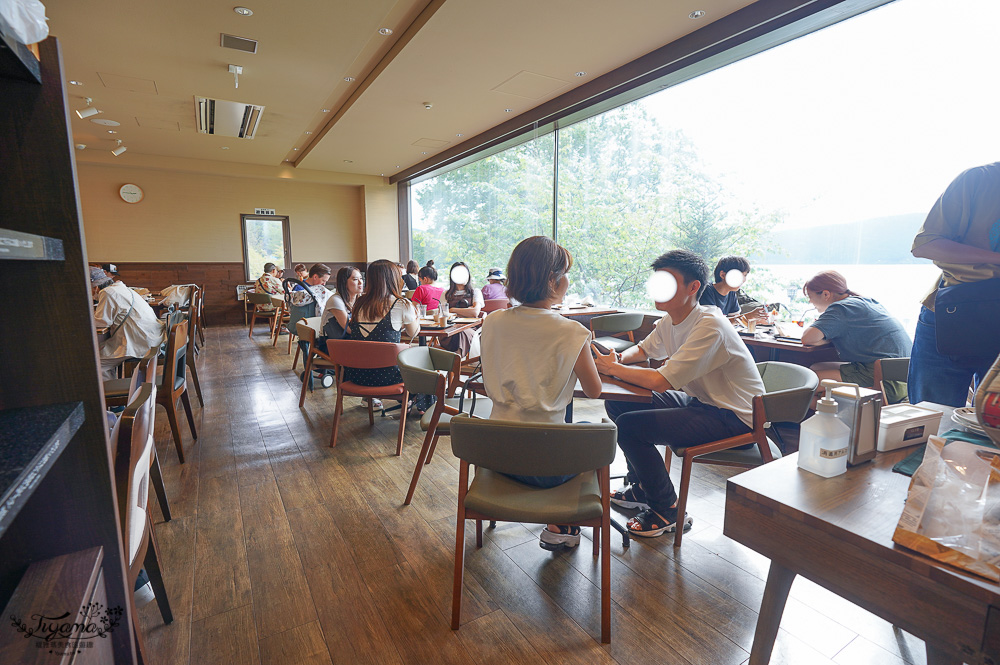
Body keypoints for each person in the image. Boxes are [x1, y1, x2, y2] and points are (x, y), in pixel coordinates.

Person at [592, 250, 764, 537]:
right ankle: (641, 487)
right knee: (619, 403)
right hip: (704, 404)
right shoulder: (670, 320)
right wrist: (619, 361)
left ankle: (668, 509)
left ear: (693, 287)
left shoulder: (710, 324)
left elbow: (661, 381)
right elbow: (645, 350)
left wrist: (613, 370)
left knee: (630, 427)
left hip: (736, 416)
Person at [480, 236, 602, 551]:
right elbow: (593, 389)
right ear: (553, 281)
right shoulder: (571, 331)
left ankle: (559, 523)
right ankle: (562, 521)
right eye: (564, 273)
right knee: (589, 433)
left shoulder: (491, 323)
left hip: (496, 457)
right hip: (548, 468)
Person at [908, 163, 1000, 406]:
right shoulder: (980, 180)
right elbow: (925, 244)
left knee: (991, 429)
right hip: (955, 310)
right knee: (931, 418)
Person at [800, 271, 911, 401]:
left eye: (810, 296)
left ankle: (833, 413)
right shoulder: (866, 301)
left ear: (826, 294)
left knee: (804, 383)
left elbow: (807, 338)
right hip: (904, 381)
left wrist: (823, 338)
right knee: (816, 368)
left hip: (882, 381)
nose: (809, 301)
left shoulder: (840, 308)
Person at [343, 259, 419, 388]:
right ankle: (412, 402)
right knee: (422, 364)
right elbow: (413, 333)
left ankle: (372, 400)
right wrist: (416, 315)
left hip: (356, 375)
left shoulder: (359, 302)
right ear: (394, 279)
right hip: (389, 376)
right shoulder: (401, 304)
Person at [92, 267, 165, 380]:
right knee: (103, 352)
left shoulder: (107, 292)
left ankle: (111, 394)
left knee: (96, 362)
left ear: (95, 287)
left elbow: (103, 322)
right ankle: (113, 389)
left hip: (140, 342)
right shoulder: (121, 288)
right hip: (151, 336)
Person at [699, 256, 766, 322]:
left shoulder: (731, 292)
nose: (743, 280)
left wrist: (759, 320)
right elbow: (712, 323)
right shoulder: (707, 290)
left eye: (745, 275)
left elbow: (734, 320)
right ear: (723, 275)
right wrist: (748, 316)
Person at [440, 261, 484, 356]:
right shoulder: (445, 294)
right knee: (456, 333)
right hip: (449, 330)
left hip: (469, 329)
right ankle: (455, 365)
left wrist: (452, 310)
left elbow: (474, 312)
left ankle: (455, 364)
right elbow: (443, 314)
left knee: (461, 333)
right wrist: (467, 310)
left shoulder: (475, 292)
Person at [321, 266, 363, 340]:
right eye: (355, 279)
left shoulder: (360, 299)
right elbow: (349, 329)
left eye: (361, 278)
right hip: (330, 342)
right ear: (344, 283)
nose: (360, 282)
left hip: (349, 339)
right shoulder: (335, 300)